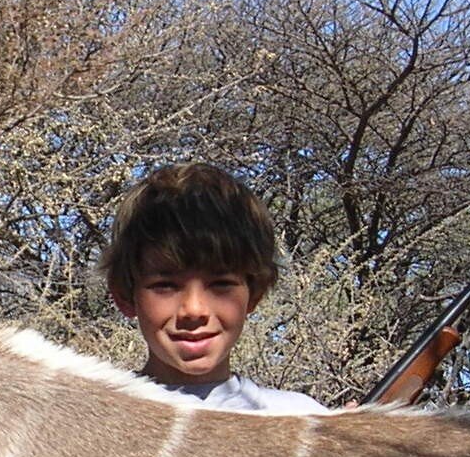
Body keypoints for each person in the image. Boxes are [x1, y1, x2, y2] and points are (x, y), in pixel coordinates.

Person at [103, 163, 329, 413]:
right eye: (165, 286)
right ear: (124, 295)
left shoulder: (300, 417)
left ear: (255, 293)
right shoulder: (98, 421)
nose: (194, 310)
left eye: (221, 284)